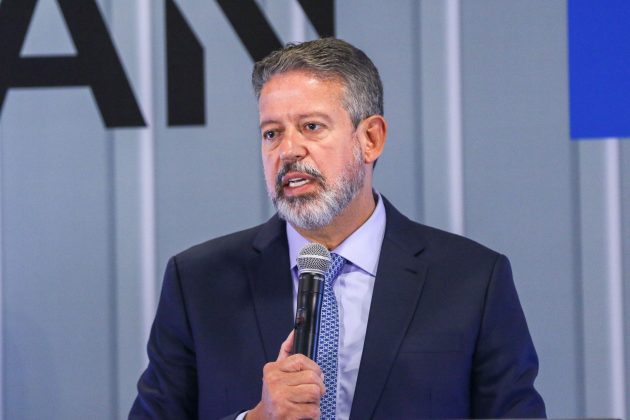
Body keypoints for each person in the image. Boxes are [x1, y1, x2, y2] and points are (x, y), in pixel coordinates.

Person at [130, 38, 546, 419]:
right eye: (272, 133)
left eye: (311, 126)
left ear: (371, 139)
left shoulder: (471, 281)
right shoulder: (200, 283)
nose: (288, 151)